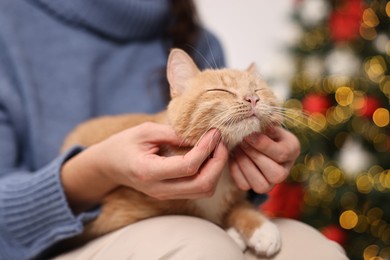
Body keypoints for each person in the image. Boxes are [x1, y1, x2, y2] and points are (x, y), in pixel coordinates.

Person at [0, 0, 348, 259]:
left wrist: (258, 165)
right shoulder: (10, 21)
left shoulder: (196, 36)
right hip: (47, 243)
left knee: (316, 251)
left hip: (209, 219)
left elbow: (226, 194)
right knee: (198, 247)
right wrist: (96, 170)